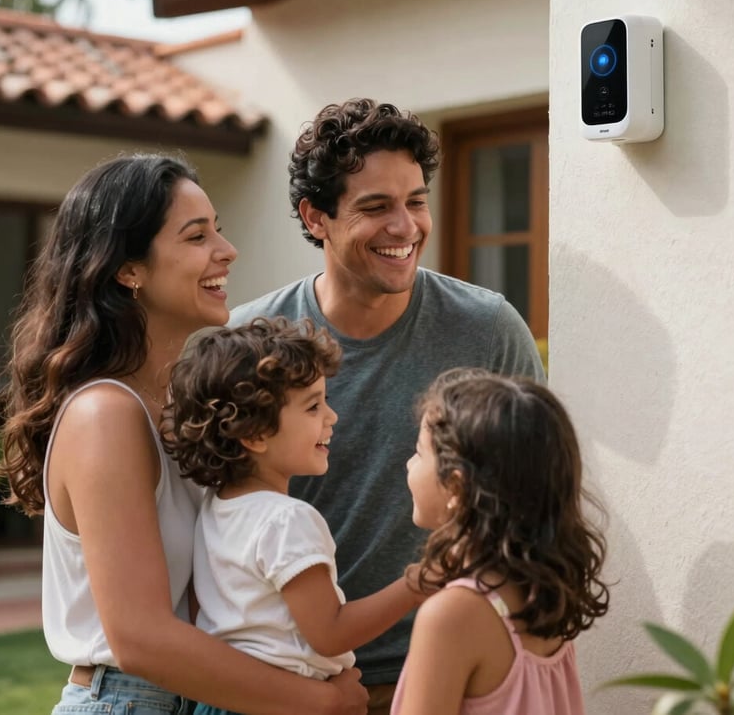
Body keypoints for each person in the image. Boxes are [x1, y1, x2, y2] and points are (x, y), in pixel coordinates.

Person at [0, 154, 368, 715]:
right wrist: (318, 701)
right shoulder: (107, 414)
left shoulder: (177, 406)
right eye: (197, 236)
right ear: (128, 269)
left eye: (217, 228)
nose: (226, 249)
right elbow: (140, 636)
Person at [228, 97, 545, 713]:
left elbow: (531, 501)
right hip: (288, 684)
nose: (405, 227)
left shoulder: (488, 329)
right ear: (315, 216)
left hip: (447, 674)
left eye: (416, 201)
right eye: (376, 207)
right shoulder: (249, 342)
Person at [161, 317, 423, 715]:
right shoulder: (286, 520)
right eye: (314, 405)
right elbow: (330, 633)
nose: (331, 417)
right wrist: (416, 585)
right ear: (254, 434)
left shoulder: (216, 508)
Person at [392, 368, 610, 715]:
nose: (408, 464)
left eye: (419, 453)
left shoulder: (452, 615)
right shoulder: (548, 595)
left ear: (456, 486)